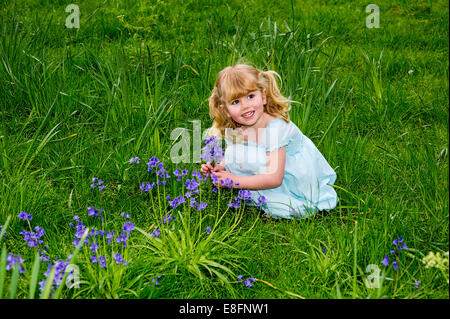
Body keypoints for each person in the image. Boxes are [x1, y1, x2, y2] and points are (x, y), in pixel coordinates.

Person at [200, 63, 338, 219]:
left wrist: (234, 180)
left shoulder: (276, 129)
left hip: (287, 176)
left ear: (263, 96)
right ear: (226, 110)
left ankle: (268, 190)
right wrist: (220, 166)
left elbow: (274, 178)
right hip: (268, 162)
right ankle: (250, 183)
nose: (245, 106)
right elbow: (235, 152)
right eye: (235, 102)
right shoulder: (236, 125)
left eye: (250, 96)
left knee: (287, 205)